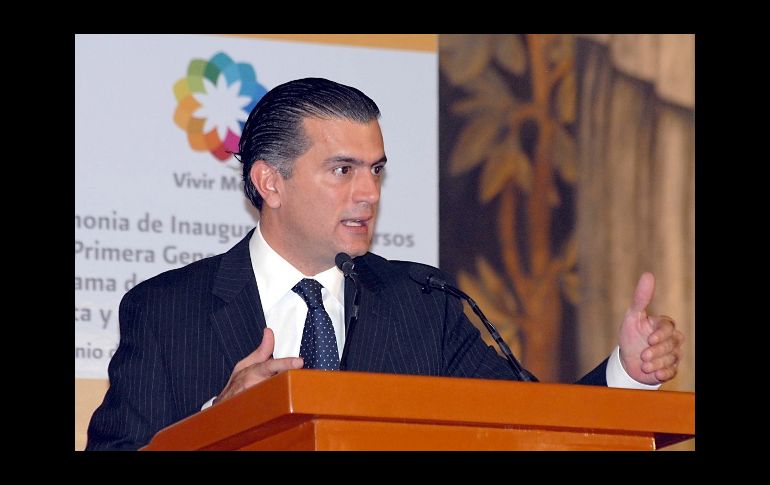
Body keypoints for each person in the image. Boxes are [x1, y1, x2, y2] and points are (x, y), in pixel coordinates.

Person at [86, 77, 684, 450]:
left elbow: (534, 429)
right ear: (270, 182)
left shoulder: (421, 302)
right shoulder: (165, 310)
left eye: (375, 170)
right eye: (342, 170)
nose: (369, 192)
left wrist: (626, 375)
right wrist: (220, 419)